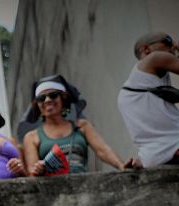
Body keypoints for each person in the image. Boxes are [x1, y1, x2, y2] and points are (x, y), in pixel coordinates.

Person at [22, 76, 131, 176]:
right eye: (41, 98)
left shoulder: (82, 126)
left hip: (83, 188)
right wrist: (38, 169)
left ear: (63, 99)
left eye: (53, 95)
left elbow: (102, 150)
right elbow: (32, 174)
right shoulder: (32, 137)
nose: (47, 100)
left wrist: (121, 166)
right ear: (38, 105)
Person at [118, 32, 179, 167]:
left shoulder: (136, 87)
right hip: (173, 146)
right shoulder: (153, 59)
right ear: (146, 49)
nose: (173, 47)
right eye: (167, 41)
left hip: (153, 157)